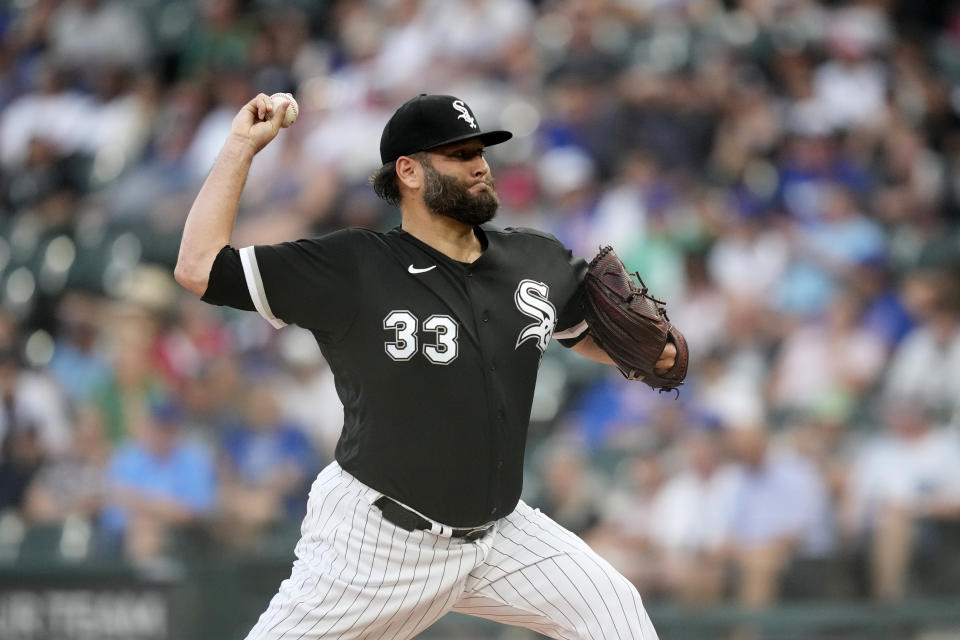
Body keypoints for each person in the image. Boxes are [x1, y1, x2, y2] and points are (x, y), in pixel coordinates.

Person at [175, 92, 677, 639]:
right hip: (378, 543)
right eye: (460, 154)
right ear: (409, 172)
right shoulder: (354, 267)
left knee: (614, 614)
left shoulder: (535, 258)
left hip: (499, 537)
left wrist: (650, 356)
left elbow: (586, 335)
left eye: (480, 152)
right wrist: (242, 146)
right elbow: (199, 267)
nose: (481, 164)